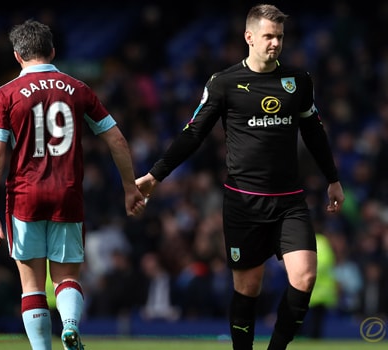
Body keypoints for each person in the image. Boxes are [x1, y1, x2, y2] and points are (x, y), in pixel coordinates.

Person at [135, 4, 344, 350]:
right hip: (244, 204)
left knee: (305, 277)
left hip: (289, 200)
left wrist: (333, 178)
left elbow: (314, 132)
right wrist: (156, 175)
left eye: (279, 37)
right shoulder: (224, 83)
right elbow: (193, 133)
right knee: (248, 289)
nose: (275, 43)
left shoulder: (298, 81)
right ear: (249, 37)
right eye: (268, 36)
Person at [0, 19, 146, 350]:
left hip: (24, 198)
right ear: (53, 51)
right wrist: (130, 187)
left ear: (17, 56)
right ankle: (70, 325)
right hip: (67, 195)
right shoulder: (78, 88)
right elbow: (116, 139)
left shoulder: (6, 94)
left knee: (32, 287)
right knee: (67, 278)